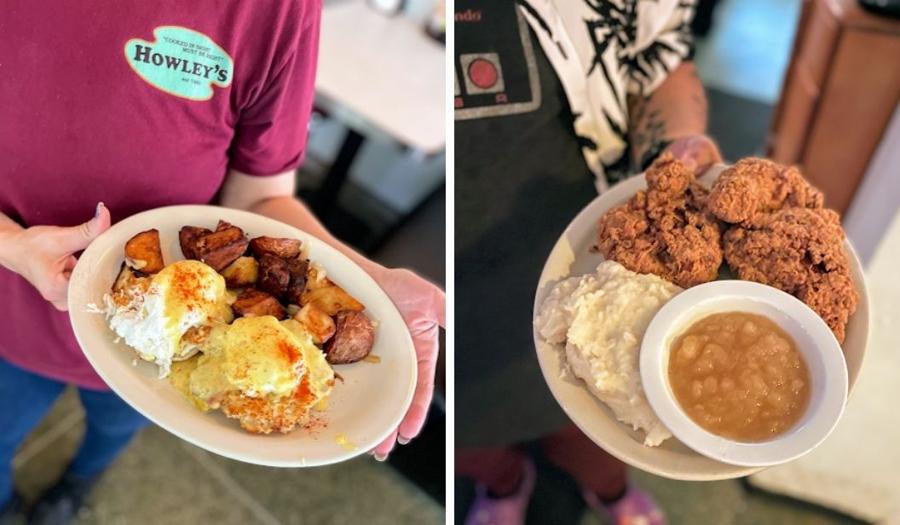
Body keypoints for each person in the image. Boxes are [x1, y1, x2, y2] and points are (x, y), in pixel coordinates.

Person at [0, 2, 444, 523]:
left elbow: (258, 197)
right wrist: (10, 244)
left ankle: (78, 484)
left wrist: (367, 282)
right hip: (12, 312)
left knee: (113, 429)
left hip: (167, 343)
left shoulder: (277, 10)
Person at [455, 1, 720, 524]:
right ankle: (507, 485)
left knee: (596, 430)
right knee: (465, 437)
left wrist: (674, 159)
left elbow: (658, 58)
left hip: (593, 267)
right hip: (455, 294)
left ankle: (611, 493)